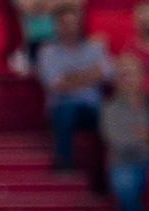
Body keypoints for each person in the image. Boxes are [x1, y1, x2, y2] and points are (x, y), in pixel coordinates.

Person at [37, 6, 111, 169]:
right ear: (56, 26)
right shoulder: (47, 52)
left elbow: (106, 74)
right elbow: (55, 85)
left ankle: (103, 171)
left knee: (109, 114)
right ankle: (64, 164)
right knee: (66, 110)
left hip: (93, 107)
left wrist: (70, 78)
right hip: (62, 107)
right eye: (64, 23)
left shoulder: (96, 47)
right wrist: (89, 75)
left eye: (74, 22)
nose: (70, 27)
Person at [102, 54, 149, 211]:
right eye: (123, 75)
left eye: (132, 74)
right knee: (124, 187)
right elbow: (117, 139)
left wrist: (144, 135)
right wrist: (146, 135)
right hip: (124, 163)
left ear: (142, 76)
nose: (128, 79)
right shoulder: (110, 108)